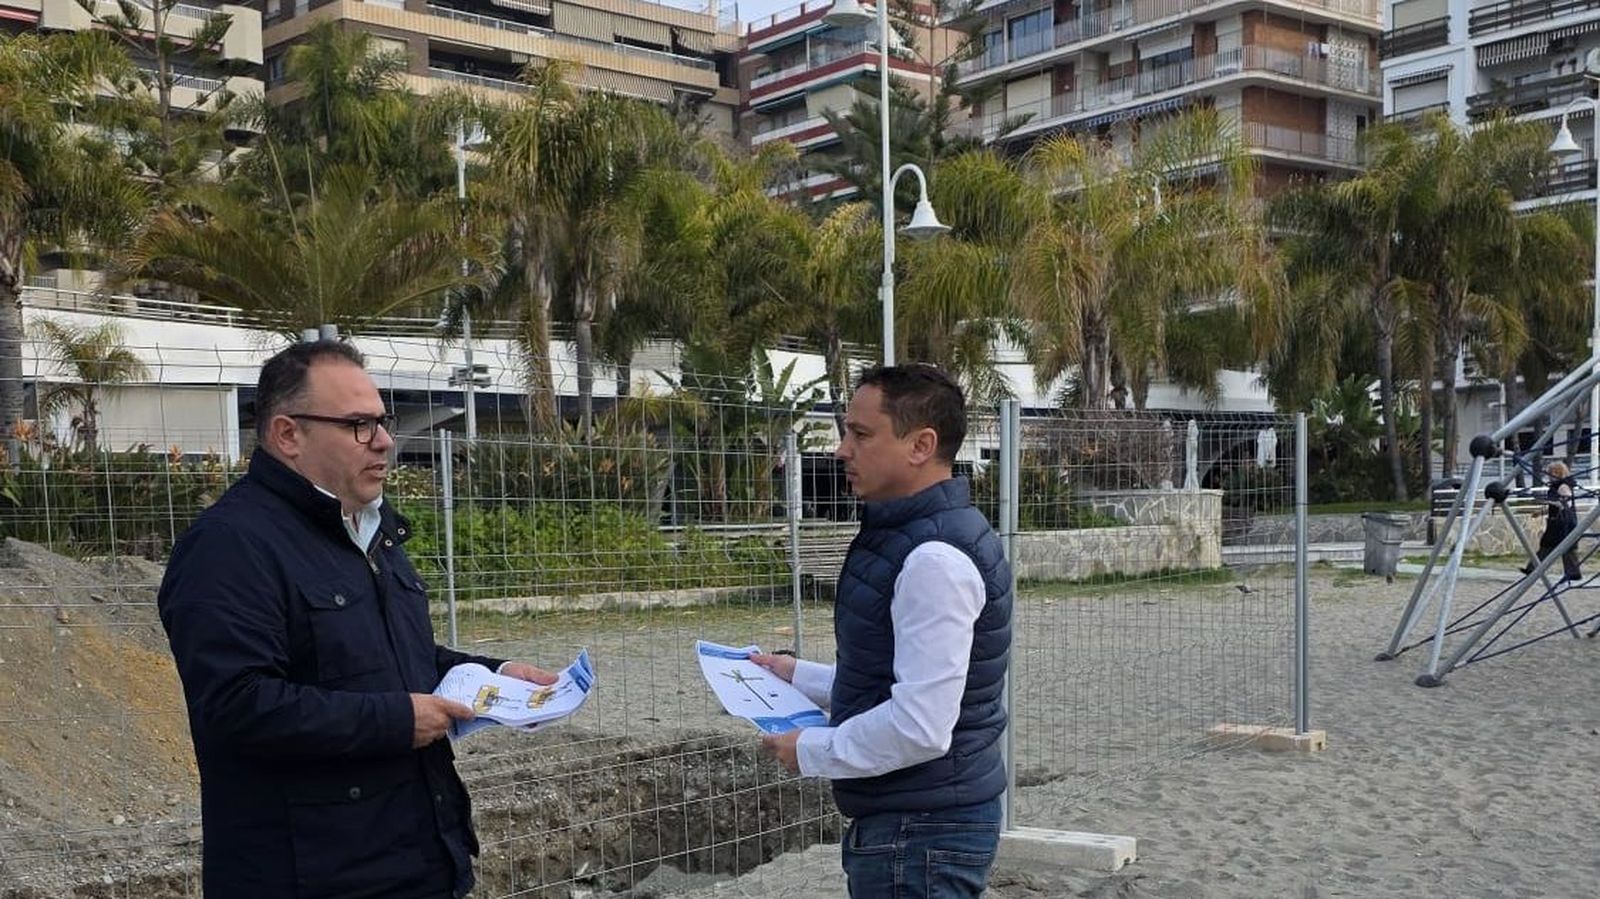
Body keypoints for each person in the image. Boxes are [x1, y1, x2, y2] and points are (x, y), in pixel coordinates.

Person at [158, 340, 555, 899]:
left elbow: (390, 662)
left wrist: (494, 677)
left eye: (382, 421)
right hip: (311, 876)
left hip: (415, 861)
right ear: (288, 435)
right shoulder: (229, 547)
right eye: (359, 425)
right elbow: (237, 705)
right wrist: (396, 721)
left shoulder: (368, 530)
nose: (386, 441)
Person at [753, 364, 1012, 899]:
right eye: (846, 431)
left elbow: (920, 725)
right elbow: (894, 681)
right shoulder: (913, 537)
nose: (841, 450)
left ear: (921, 445)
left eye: (861, 434)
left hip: (919, 831)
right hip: (917, 822)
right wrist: (795, 675)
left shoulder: (932, 558)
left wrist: (811, 750)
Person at [1524, 460, 1583, 582]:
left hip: (1563, 523)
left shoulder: (1563, 486)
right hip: (1560, 522)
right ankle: (1533, 569)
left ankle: (1533, 569)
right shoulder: (1559, 486)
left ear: (1557, 473)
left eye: (1550, 473)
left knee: (1556, 547)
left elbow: (1564, 503)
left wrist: (1547, 501)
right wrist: (1541, 512)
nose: (1548, 476)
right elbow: (1556, 507)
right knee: (1555, 547)